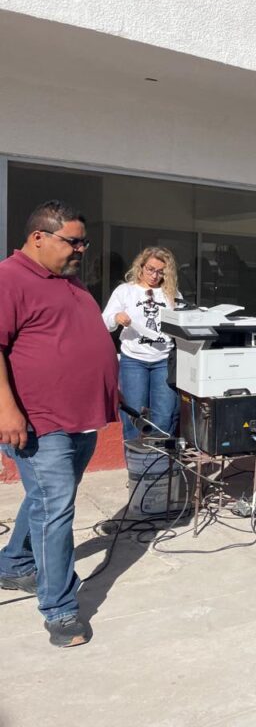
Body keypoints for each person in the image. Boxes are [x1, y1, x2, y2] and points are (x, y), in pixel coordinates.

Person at [0, 200, 119, 648]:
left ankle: (14, 563)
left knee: (46, 500)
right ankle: (60, 609)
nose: (81, 250)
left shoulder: (68, 281)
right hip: (38, 420)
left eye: (84, 242)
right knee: (56, 508)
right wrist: (6, 410)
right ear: (38, 237)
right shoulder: (9, 278)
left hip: (79, 418)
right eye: (74, 242)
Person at [102, 247, 182, 442]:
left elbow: (181, 324)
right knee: (133, 415)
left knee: (164, 415)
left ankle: (159, 458)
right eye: (150, 269)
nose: (154, 276)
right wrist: (116, 317)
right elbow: (105, 323)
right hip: (133, 360)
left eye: (160, 272)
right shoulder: (126, 290)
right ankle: (135, 458)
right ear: (141, 266)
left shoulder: (171, 293)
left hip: (164, 361)